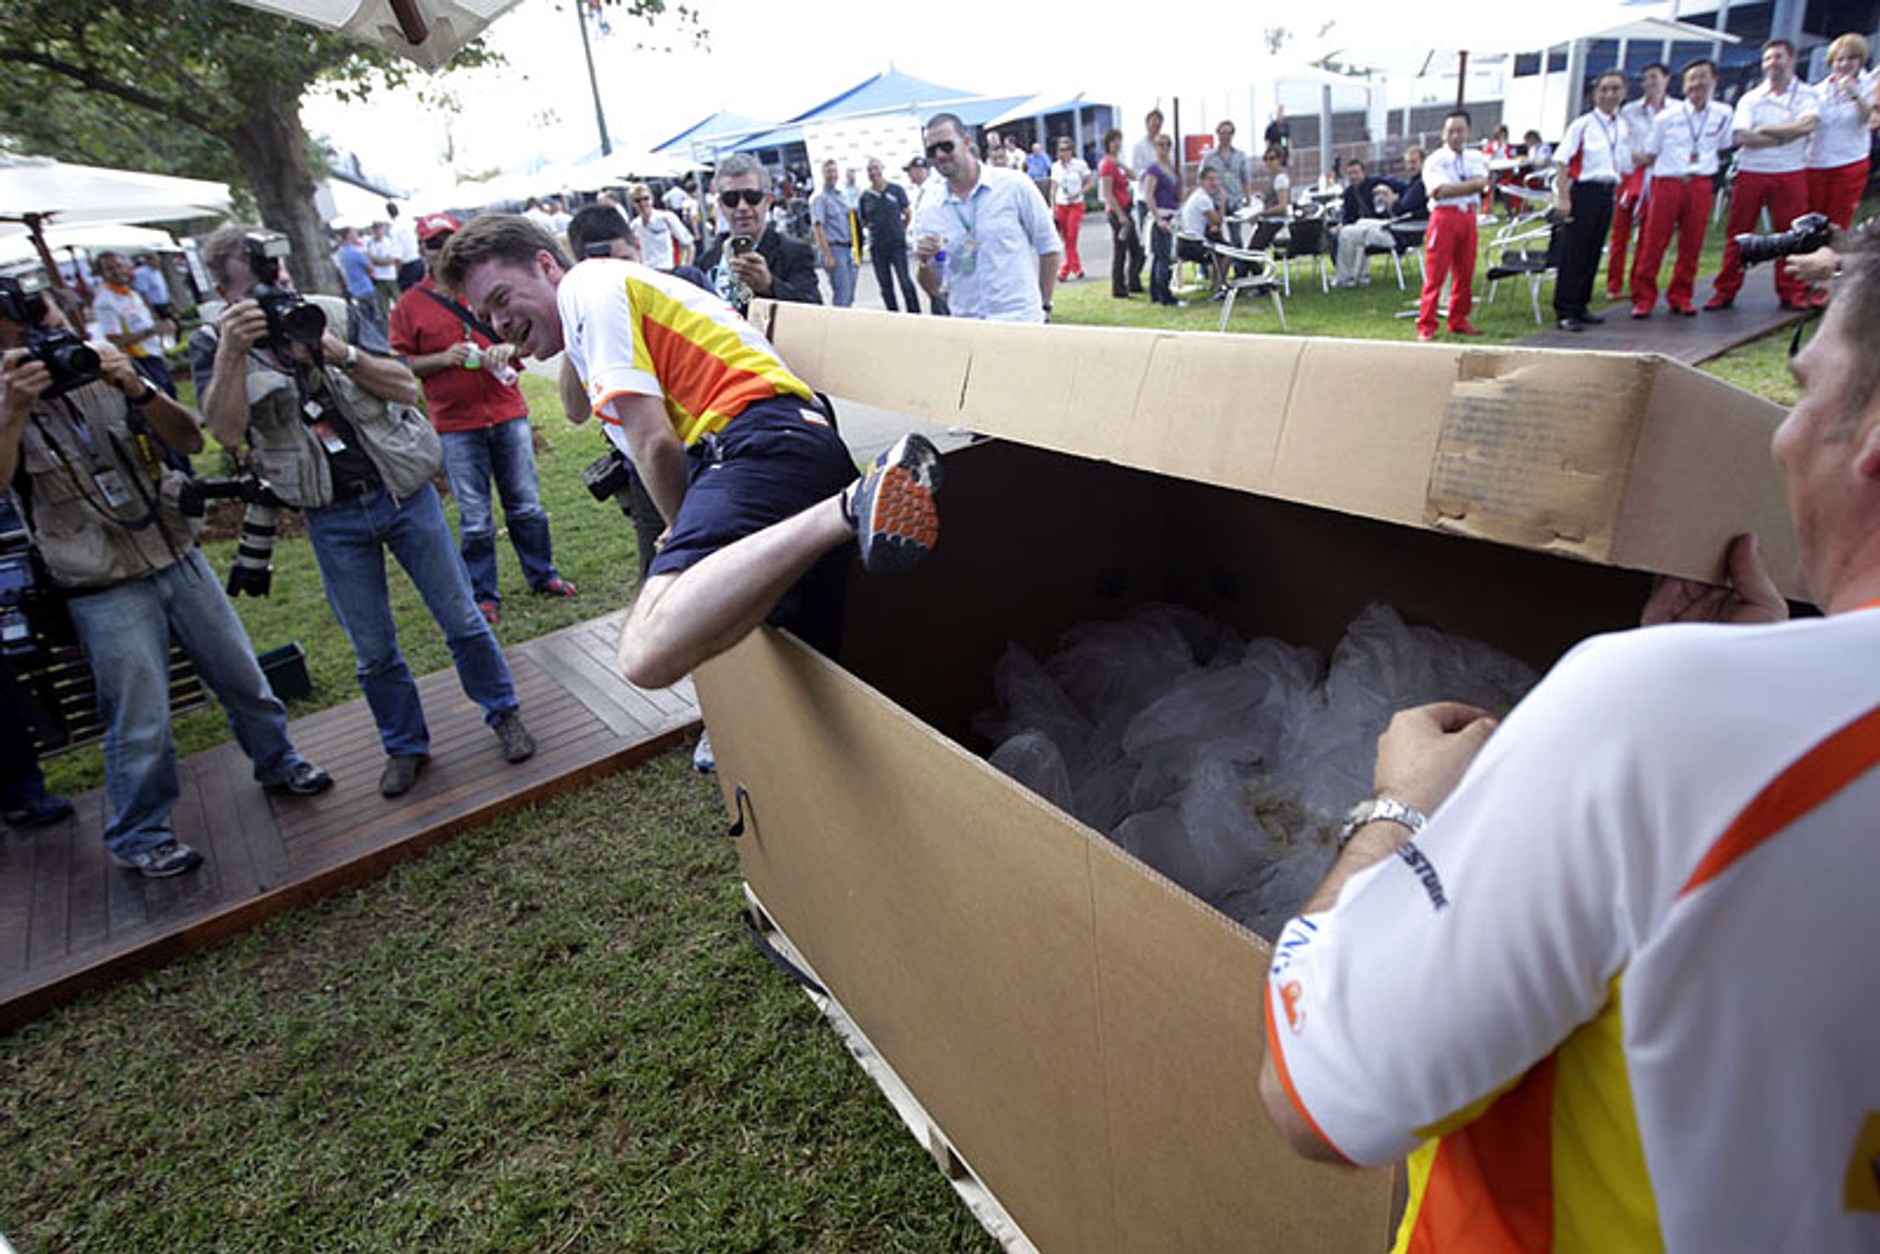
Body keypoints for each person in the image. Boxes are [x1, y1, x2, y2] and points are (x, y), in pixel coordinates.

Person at [1260, 227, 1880, 1253]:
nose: (1779, 435)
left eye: (1807, 385)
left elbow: (1313, 1093)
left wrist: (1398, 814)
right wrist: (1753, 689)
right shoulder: (1713, 733)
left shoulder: (1651, 717)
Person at [440, 214, 945, 693]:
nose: (499, 324)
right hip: (784, 442)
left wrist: (679, 531)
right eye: (485, 318)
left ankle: (855, 502)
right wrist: (542, 332)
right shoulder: (595, 299)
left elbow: (654, 442)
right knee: (807, 650)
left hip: (755, 442)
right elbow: (574, 408)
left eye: (502, 299)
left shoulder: (586, 288)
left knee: (647, 651)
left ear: (548, 265)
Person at [1, 277, 332, 878]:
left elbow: (186, 436)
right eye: (21, 329)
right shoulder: (6, 401)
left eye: (42, 317)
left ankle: (279, 761)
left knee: (242, 675)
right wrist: (13, 409)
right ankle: (138, 832)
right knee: (141, 714)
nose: (41, 334)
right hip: (100, 580)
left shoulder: (95, 370)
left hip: (174, 550)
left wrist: (135, 385)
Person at [193, 226, 536, 799]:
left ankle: (503, 713)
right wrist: (232, 350)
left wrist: (340, 354)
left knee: (462, 618)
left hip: (402, 491)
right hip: (330, 512)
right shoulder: (216, 343)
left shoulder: (334, 314)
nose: (272, 294)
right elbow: (225, 430)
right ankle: (405, 746)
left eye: (273, 277)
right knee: (372, 647)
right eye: (250, 289)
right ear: (225, 295)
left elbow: (404, 387)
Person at [390, 212, 577, 627]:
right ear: (422, 251)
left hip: (506, 409)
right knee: (474, 517)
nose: (441, 252)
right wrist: (443, 359)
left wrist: (504, 351)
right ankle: (484, 593)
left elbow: (526, 344)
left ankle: (542, 574)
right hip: (455, 422)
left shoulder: (486, 289)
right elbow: (399, 364)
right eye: (433, 245)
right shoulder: (410, 305)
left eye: (448, 241)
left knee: (526, 504)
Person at [913, 112, 1061, 323]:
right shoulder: (930, 206)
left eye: (946, 146)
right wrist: (926, 262)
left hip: (1020, 321)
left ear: (965, 142)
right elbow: (935, 285)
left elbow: (1049, 247)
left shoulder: (1014, 186)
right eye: (931, 150)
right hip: (968, 326)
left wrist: (1045, 304)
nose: (939, 155)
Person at [1707, 39, 1819, 312]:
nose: (1773, 64)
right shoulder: (1751, 97)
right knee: (1739, 232)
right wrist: (1784, 135)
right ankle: (1725, 290)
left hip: (1791, 171)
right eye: (1768, 59)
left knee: (1793, 235)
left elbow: (1808, 125)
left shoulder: (1807, 94)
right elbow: (1742, 136)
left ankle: (1791, 290)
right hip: (1753, 171)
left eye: (1778, 57)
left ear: (1791, 59)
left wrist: (1767, 130)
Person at [1632, 59, 1735, 318]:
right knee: (1654, 242)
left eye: (1702, 78)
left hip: (1700, 182)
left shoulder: (1723, 113)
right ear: (1684, 84)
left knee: (1692, 243)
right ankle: (1643, 297)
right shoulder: (1667, 117)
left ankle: (1681, 295)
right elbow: (1651, 151)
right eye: (1691, 79)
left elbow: (1723, 145)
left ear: (1714, 80)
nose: (1697, 84)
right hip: (1668, 180)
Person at [1551, 71, 1631, 331]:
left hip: (1607, 192)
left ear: (1624, 92)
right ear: (1595, 94)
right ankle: (1565, 309)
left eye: (1614, 89)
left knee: (1594, 251)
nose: (1609, 94)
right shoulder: (1582, 124)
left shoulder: (1622, 125)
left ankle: (1581, 304)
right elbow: (1562, 161)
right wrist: (1563, 197)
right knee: (1574, 252)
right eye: (1604, 89)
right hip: (1583, 191)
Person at [695, 153, 823, 314]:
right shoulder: (706, 262)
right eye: (731, 198)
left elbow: (814, 313)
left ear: (768, 200)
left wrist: (770, 286)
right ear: (720, 205)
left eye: (752, 197)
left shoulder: (795, 253)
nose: (742, 207)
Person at [1416, 110, 1490, 341]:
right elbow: (1439, 191)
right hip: (1444, 217)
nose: (1455, 136)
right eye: (1451, 131)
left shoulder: (1476, 157)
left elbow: (1483, 184)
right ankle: (1427, 322)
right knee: (1436, 272)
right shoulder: (1435, 160)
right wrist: (1471, 186)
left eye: (1460, 130)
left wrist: (1466, 187)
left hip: (1467, 215)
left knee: (1465, 271)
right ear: (1443, 134)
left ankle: (1458, 318)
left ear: (1468, 132)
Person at [1608, 63, 1672, 302]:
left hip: (1661, 174)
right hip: (1633, 173)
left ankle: (1640, 281)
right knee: (1620, 233)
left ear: (1666, 80)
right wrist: (1639, 158)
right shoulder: (1630, 112)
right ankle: (1614, 283)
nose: (1650, 83)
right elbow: (1620, 144)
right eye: (1645, 79)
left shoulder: (1676, 110)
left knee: (1650, 234)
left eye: (1654, 78)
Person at [1806, 34, 1874, 235]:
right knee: (1811, 222)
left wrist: (1855, 94)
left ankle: (1832, 264)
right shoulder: (1817, 91)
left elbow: (1866, 119)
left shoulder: (1868, 85)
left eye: (1850, 59)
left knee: (1837, 224)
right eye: (1839, 59)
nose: (1844, 64)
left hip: (1849, 162)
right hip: (1816, 162)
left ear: (1860, 61)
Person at [90, 251, 177, 397]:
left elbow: (142, 322)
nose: (117, 272)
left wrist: (161, 328)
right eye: (110, 269)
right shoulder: (104, 302)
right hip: (138, 360)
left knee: (171, 394)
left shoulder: (131, 293)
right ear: (102, 273)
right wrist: (152, 331)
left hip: (153, 354)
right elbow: (115, 341)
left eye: (119, 266)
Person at [858, 157, 920, 314]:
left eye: (876, 168)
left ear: (882, 169)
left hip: (896, 243)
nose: (873, 172)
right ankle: (893, 316)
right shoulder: (865, 197)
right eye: (870, 170)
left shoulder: (896, 190)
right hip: (878, 246)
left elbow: (907, 213)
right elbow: (863, 221)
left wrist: (900, 229)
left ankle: (915, 313)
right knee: (885, 286)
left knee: (905, 281)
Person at [1330, 158, 1399, 287]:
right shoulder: (1349, 192)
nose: (1353, 177)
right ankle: (1356, 275)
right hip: (1362, 226)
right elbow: (1348, 215)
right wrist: (1342, 224)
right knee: (1339, 233)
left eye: (1356, 172)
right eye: (1350, 174)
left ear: (1364, 172)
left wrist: (1391, 197)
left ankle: (1345, 278)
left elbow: (1402, 188)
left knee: (1349, 234)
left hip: (1384, 227)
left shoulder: (1377, 183)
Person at [1097, 129, 1144, 299]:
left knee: (1136, 249)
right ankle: (1119, 286)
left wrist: (1120, 164)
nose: (1117, 144)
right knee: (1121, 250)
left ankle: (1133, 281)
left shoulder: (1115, 163)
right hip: (1117, 211)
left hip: (1125, 207)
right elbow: (1108, 193)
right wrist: (1120, 215)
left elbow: (1134, 176)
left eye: (1119, 141)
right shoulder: (1106, 165)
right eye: (1113, 141)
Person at [808, 160, 858, 309]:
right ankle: (840, 328)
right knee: (842, 296)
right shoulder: (819, 198)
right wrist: (827, 254)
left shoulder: (840, 195)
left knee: (849, 295)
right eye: (829, 172)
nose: (833, 175)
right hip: (834, 250)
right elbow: (818, 228)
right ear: (823, 174)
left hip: (848, 249)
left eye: (835, 172)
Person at [1142, 133, 1181, 307]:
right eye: (1160, 145)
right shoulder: (1154, 170)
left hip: (1172, 213)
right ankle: (1164, 294)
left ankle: (1157, 292)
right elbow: (1149, 195)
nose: (1164, 148)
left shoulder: (1171, 168)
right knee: (1163, 257)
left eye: (1166, 145)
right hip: (1161, 215)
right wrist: (1158, 218)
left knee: (1163, 256)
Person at [1178, 166, 1228, 297]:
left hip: (1187, 240)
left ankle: (1215, 284)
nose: (1214, 183)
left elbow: (1212, 223)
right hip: (1192, 245)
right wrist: (1223, 201)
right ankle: (1219, 287)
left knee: (1222, 246)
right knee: (1227, 253)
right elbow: (1217, 221)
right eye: (1210, 179)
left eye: (1216, 179)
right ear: (1201, 181)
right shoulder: (1203, 199)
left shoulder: (1199, 195)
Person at [1201, 120, 1253, 246]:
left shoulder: (1240, 155)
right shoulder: (1209, 157)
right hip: (1216, 201)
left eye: (1228, 133)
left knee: (1236, 236)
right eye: (1222, 133)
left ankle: (1239, 264)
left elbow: (1245, 178)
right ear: (1218, 134)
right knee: (1214, 233)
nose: (1225, 136)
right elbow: (1201, 178)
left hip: (1235, 199)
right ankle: (1212, 263)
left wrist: (1248, 199)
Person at [1049, 136, 1092, 283]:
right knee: (1066, 238)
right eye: (1062, 150)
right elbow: (1053, 187)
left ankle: (1066, 269)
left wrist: (1079, 192)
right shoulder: (1056, 167)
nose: (1065, 153)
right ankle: (1074, 267)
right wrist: (1052, 206)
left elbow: (1089, 183)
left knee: (1072, 235)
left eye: (1067, 149)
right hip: (1062, 204)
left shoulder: (1079, 164)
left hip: (1076, 203)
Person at [333, 226, 386, 340]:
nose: (357, 235)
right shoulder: (355, 252)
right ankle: (382, 341)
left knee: (364, 320)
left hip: (353, 290)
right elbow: (370, 268)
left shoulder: (341, 254)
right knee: (376, 318)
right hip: (365, 288)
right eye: (354, 233)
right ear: (349, 236)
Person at [627, 182, 694, 272]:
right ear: (633, 203)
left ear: (652, 199)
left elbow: (689, 245)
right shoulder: (634, 225)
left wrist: (686, 269)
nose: (642, 203)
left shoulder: (666, 218)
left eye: (646, 199)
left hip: (668, 270)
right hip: (647, 273)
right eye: (638, 200)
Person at [1130, 109, 1166, 241]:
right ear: (1147, 125)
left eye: (1158, 125)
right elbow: (1134, 172)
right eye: (1153, 125)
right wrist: (1150, 173)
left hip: (1162, 198)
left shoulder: (1164, 145)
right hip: (1144, 197)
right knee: (1147, 240)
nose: (1155, 128)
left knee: (1162, 241)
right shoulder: (1138, 146)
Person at [365, 221, 400, 311]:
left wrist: (378, 261)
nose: (378, 231)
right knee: (383, 306)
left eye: (379, 228)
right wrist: (380, 261)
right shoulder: (370, 244)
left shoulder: (389, 242)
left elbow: (392, 260)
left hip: (391, 277)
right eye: (375, 229)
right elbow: (369, 259)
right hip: (379, 278)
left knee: (399, 301)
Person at [130, 254, 173, 323]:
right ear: (149, 260)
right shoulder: (142, 273)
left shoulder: (157, 271)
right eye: (156, 261)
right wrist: (151, 310)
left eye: (159, 261)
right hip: (154, 305)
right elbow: (143, 292)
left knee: (174, 325)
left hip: (164, 303)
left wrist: (170, 300)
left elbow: (162, 288)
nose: (159, 263)